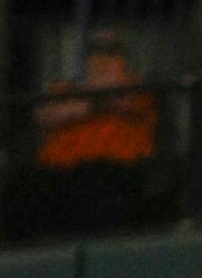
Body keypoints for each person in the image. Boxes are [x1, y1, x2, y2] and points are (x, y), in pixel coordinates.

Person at [18, 27, 158, 239]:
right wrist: (87, 104)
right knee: (25, 188)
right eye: (96, 52)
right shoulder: (65, 89)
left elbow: (126, 102)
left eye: (110, 53)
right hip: (56, 174)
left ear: (122, 59)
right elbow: (45, 115)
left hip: (111, 173)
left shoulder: (135, 87)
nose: (102, 59)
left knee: (94, 186)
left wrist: (82, 106)